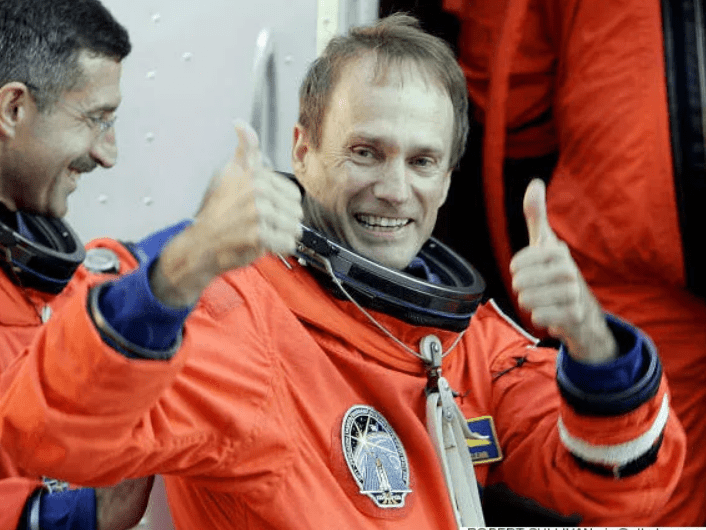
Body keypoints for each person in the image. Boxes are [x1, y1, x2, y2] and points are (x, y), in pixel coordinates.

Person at [0, 13, 686, 528]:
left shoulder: (466, 339)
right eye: (366, 152)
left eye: (422, 162)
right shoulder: (239, 314)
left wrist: (592, 343)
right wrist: (181, 269)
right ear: (301, 150)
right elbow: (49, 430)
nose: (394, 189)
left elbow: (625, 495)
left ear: (448, 180)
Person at [418, 0, 706, 524]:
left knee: (648, 495)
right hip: (630, 253)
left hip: (627, 233)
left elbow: (507, 85)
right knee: (634, 465)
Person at [0, 0, 162, 528]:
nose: (107, 154)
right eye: (95, 119)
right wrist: (77, 512)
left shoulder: (35, 263)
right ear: (13, 109)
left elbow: (96, 278)